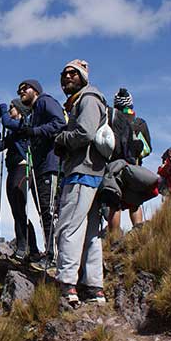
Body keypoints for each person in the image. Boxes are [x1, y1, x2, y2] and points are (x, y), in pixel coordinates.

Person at [54, 59, 107, 306]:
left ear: (84, 77)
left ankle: (67, 284)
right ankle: (94, 288)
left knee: (69, 227)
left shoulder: (88, 99)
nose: (67, 77)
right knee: (92, 233)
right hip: (95, 173)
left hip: (81, 171)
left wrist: (61, 138)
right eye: (64, 74)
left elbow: (85, 132)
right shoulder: (89, 100)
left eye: (73, 73)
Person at [17, 78, 66, 269]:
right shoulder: (33, 111)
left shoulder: (45, 101)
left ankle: (54, 256)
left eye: (25, 88)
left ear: (35, 90)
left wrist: (35, 131)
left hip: (50, 165)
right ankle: (51, 252)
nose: (21, 91)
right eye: (19, 90)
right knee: (45, 210)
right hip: (41, 167)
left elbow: (60, 123)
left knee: (50, 210)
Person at [0, 98, 41, 262]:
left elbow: (7, 122)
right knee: (17, 211)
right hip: (13, 170)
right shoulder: (13, 131)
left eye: (12, 107)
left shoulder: (23, 125)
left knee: (20, 209)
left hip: (23, 168)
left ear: (20, 111)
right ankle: (29, 249)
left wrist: (3, 109)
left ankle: (26, 249)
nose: (10, 109)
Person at [109, 88, 152, 230]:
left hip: (114, 166)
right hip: (134, 166)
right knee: (135, 202)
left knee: (114, 203)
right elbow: (148, 149)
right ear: (131, 104)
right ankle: (138, 233)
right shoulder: (139, 123)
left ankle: (113, 240)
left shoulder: (111, 119)